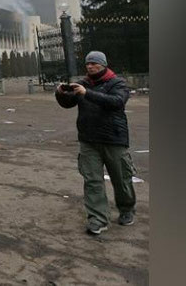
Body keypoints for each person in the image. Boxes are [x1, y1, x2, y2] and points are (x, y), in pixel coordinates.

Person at [56, 51, 136, 235]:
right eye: (88, 64)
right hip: (88, 140)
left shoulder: (117, 83)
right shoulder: (82, 84)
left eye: (94, 63)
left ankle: (126, 209)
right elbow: (68, 103)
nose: (90, 66)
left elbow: (116, 102)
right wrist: (60, 93)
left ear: (103, 64)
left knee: (121, 179)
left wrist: (87, 93)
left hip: (113, 139)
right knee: (92, 180)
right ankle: (98, 218)